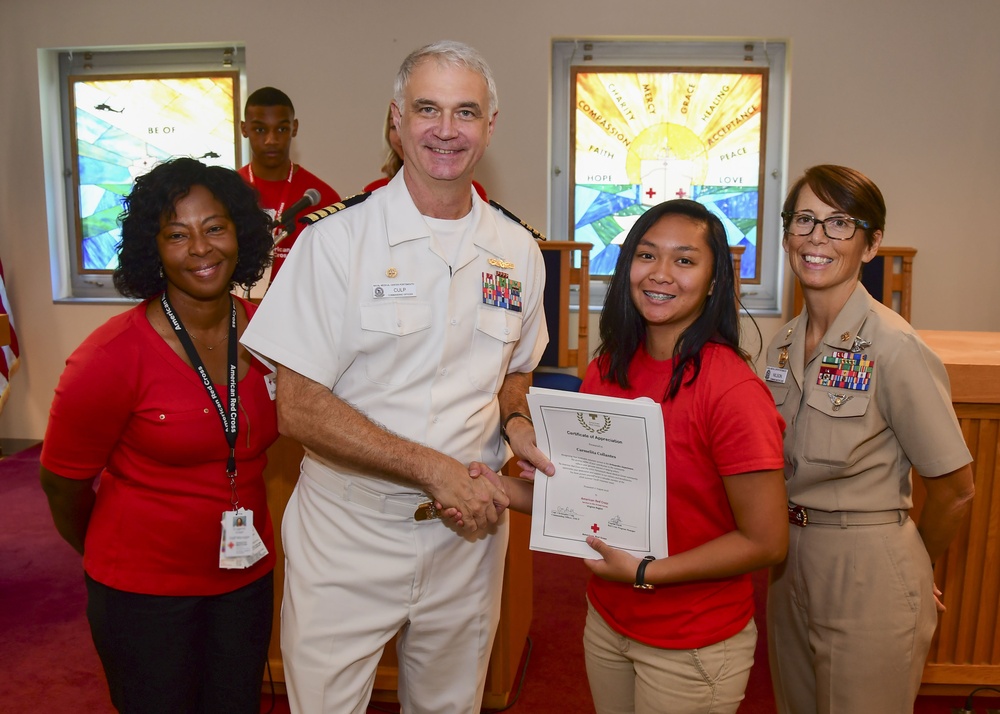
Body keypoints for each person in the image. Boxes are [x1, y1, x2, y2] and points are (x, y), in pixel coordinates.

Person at [241, 40, 553, 714]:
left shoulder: (518, 250)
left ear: (490, 125)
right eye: (428, 109)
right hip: (349, 534)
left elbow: (515, 371)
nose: (447, 129)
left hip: (467, 537)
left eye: (466, 111)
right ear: (395, 120)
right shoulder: (333, 243)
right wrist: (431, 468)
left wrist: (518, 420)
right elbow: (296, 406)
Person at [488, 199, 789, 713]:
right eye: (647, 255)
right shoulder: (608, 368)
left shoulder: (732, 390)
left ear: (715, 281)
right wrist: (496, 488)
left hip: (691, 641)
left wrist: (646, 572)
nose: (662, 274)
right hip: (609, 618)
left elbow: (766, 541)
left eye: (686, 260)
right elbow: (592, 503)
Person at [39, 158, 279, 714]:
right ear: (154, 249)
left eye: (215, 227)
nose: (201, 248)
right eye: (178, 234)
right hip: (143, 595)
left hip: (245, 579)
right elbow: (62, 486)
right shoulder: (108, 358)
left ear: (241, 233)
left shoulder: (274, 332)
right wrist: (112, 559)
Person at [764, 165, 976, 714]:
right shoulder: (782, 344)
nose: (817, 237)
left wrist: (909, 566)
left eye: (839, 224)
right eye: (804, 219)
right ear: (786, 232)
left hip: (869, 566)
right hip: (789, 563)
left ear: (871, 243)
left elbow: (956, 489)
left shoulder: (894, 345)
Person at [238, 86, 341, 281]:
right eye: (260, 129)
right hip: (241, 307)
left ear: (295, 128)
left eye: (282, 129)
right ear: (244, 129)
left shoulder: (322, 197)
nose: (271, 140)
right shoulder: (226, 193)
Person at [362, 103, 488, 200]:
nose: (402, 136)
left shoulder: (473, 194)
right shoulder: (374, 193)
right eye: (394, 127)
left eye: (465, 113)